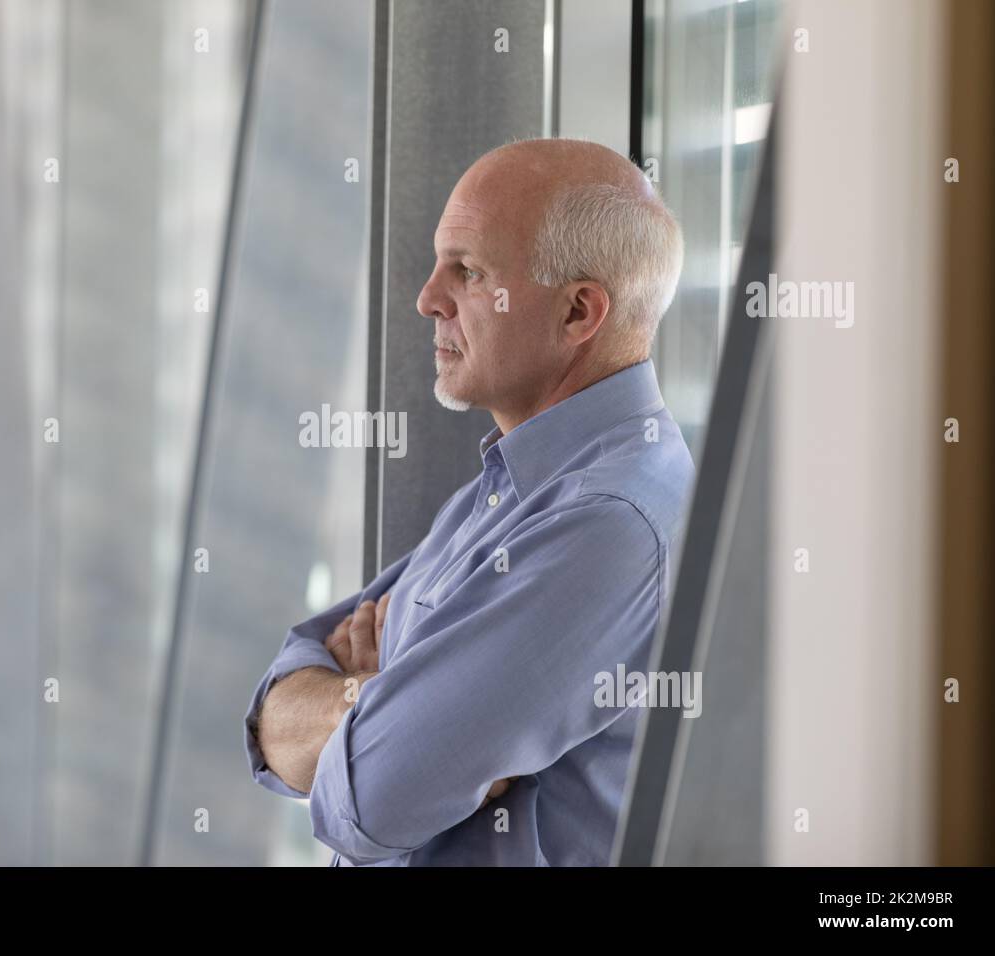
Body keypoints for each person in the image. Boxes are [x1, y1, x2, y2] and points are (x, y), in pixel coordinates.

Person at [243, 138, 694, 866]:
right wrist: (372, 699)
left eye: (469, 271)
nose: (427, 299)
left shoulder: (607, 524)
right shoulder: (514, 486)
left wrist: (372, 711)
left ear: (579, 312)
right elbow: (271, 713)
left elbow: (375, 798)